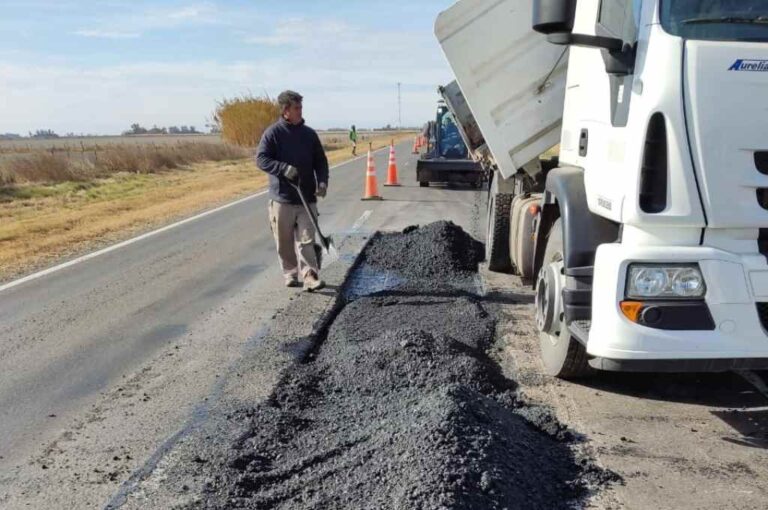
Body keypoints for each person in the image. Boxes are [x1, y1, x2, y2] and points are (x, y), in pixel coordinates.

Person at [256, 90, 329, 291]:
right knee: (284, 241)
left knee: (307, 240)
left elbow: (321, 161)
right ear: (285, 110)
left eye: (301, 107)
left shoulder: (309, 135)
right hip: (282, 199)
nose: (300, 111)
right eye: (296, 108)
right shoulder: (273, 134)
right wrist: (282, 168)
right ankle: (290, 273)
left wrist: (322, 183)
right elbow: (261, 159)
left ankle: (310, 275)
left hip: (306, 198)